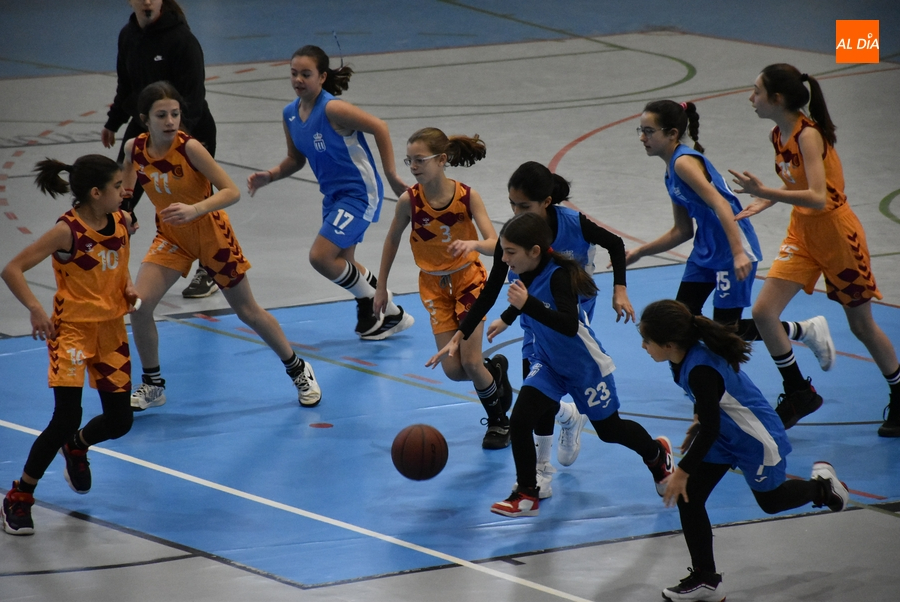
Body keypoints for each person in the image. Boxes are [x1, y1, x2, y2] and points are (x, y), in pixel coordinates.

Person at [430, 213, 672, 517]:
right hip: (547, 362)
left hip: (583, 365)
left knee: (610, 430)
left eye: (510, 252)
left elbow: (569, 325)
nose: (503, 259)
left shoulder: (559, 275)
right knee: (519, 420)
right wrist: (460, 335)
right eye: (502, 251)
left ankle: (656, 454)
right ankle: (527, 494)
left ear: (534, 251)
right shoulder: (518, 266)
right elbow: (489, 293)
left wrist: (525, 305)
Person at [431, 161, 636, 497]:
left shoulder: (572, 224)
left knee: (556, 393)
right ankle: (542, 469)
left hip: (574, 317)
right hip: (533, 315)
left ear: (546, 202)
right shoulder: (515, 238)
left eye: (523, 206)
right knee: (534, 385)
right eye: (511, 204)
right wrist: (462, 332)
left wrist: (620, 288)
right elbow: (493, 288)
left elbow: (614, 243)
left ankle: (570, 418)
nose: (515, 211)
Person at [124, 81, 320, 411]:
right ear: (145, 118)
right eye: (162, 115)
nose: (170, 121)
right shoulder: (133, 148)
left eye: (175, 114)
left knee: (248, 312)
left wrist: (195, 209)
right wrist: (125, 213)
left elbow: (232, 191)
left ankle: (299, 369)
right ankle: (153, 384)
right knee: (139, 307)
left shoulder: (190, 149)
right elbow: (126, 188)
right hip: (171, 237)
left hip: (211, 237)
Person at [639, 299, 850, 601]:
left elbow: (711, 420)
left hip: (756, 439)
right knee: (690, 498)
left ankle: (823, 488)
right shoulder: (684, 355)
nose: (644, 346)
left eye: (647, 341)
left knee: (771, 502)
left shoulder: (698, 367)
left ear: (670, 344)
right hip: (726, 436)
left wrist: (682, 470)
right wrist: (700, 417)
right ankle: (707, 581)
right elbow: (712, 404)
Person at [729, 64, 900, 436]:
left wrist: (765, 193)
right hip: (802, 233)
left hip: (838, 237)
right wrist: (769, 201)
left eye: (756, 91)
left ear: (777, 99)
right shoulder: (778, 134)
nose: (750, 97)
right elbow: (797, 184)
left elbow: (820, 197)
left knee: (862, 326)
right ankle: (798, 391)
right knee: (763, 312)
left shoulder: (809, 136)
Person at [1, 155, 138, 535]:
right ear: (96, 193)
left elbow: (118, 259)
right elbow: (11, 268)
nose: (123, 192)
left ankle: (77, 446)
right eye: (116, 187)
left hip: (111, 331)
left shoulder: (124, 221)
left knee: (120, 420)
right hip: (73, 333)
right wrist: (34, 309)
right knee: (65, 417)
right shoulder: (67, 231)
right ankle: (19, 496)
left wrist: (125, 286)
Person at [247, 45, 413, 341]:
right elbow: (295, 159)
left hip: (359, 193)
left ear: (322, 77)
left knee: (321, 257)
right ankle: (389, 312)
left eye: (306, 74)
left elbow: (380, 127)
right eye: (294, 73)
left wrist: (391, 175)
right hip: (333, 196)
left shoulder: (333, 108)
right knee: (343, 263)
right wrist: (270, 175)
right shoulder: (290, 114)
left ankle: (384, 310)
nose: (298, 79)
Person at [374, 127, 511, 449]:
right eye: (409, 161)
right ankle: (495, 376)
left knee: (472, 362)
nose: (413, 167)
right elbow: (392, 239)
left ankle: (499, 422)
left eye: (419, 160)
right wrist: (381, 287)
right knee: (453, 369)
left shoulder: (466, 197)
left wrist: (473, 243)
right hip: (433, 286)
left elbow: (496, 244)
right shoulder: (409, 201)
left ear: (442, 160)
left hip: (468, 280)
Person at [102, 0, 219, 299]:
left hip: (187, 131)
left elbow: (193, 96)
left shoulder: (181, 40)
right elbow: (125, 85)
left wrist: (178, 142)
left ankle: (211, 268)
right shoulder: (127, 36)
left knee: (195, 206)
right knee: (118, 200)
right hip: (144, 127)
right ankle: (112, 272)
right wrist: (114, 122)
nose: (147, 1)